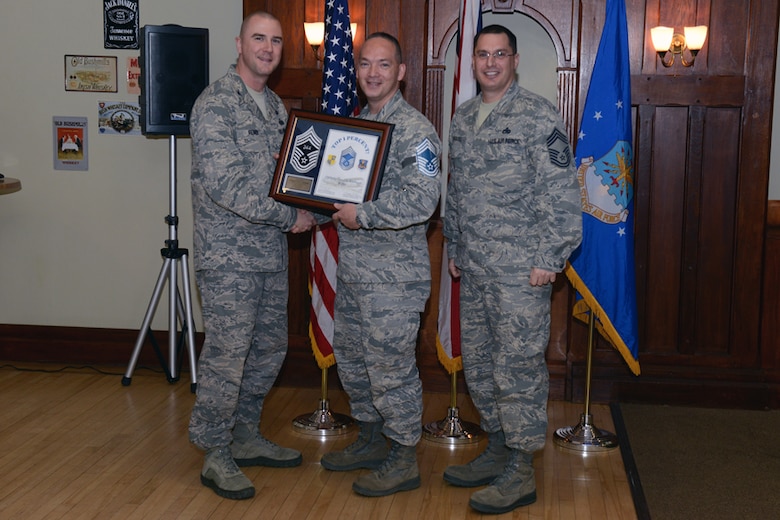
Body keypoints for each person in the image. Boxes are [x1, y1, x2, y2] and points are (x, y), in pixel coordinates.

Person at [442, 24, 582, 514]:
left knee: (518, 369)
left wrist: (550, 257)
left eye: (500, 54)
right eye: (482, 55)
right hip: (475, 267)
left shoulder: (538, 116)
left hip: (521, 273)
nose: (491, 63)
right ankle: (499, 449)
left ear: (515, 60)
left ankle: (521, 470)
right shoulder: (462, 119)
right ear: (474, 61)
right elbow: (456, 191)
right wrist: (454, 245)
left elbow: (562, 193)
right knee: (481, 368)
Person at [188, 11, 316, 500]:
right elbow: (228, 187)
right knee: (228, 356)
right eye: (258, 39)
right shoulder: (216, 104)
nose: (267, 48)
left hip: (267, 254)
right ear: (239, 43)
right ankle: (215, 450)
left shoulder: (277, 107)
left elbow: (292, 178)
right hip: (228, 259)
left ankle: (244, 433)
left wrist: (323, 206)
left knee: (268, 351)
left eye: (276, 41)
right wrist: (292, 219)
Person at [319, 32, 441, 498]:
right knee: (354, 362)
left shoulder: (414, 131)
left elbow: (423, 199)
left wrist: (362, 214)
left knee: (391, 369)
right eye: (365, 64)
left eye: (383, 65)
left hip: (394, 279)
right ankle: (372, 437)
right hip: (354, 273)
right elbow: (333, 185)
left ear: (401, 72)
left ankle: (403, 455)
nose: (372, 73)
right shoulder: (354, 127)